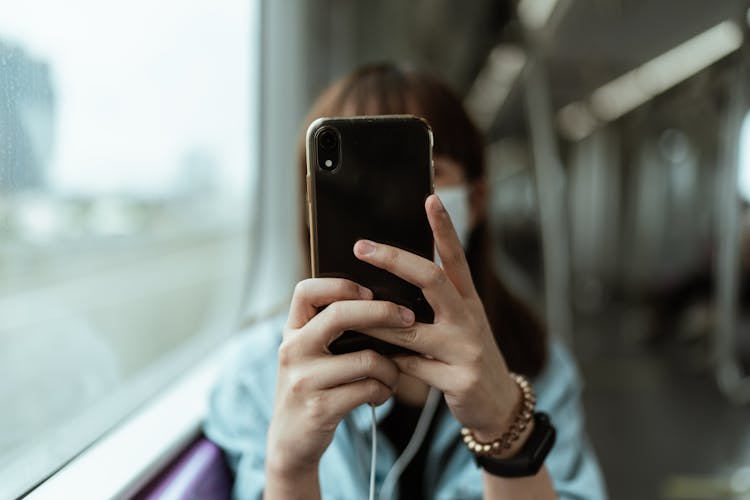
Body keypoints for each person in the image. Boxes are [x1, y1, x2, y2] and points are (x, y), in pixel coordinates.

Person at [204, 63, 607, 499]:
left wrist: (505, 428)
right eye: (361, 179)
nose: (386, 201)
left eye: (418, 171)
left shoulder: (538, 367)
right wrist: (290, 470)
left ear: (475, 201)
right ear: (314, 205)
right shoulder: (256, 375)